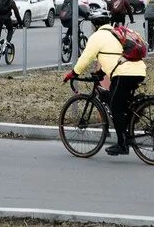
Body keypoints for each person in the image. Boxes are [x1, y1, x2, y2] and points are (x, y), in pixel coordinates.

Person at [62, 9, 146, 156]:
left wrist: (73, 73)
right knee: (121, 103)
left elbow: (85, 58)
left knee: (115, 107)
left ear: (94, 25)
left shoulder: (97, 36)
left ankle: (122, 144)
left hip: (123, 74)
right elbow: (114, 57)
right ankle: (129, 127)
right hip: (139, 71)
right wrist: (100, 73)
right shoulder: (117, 33)